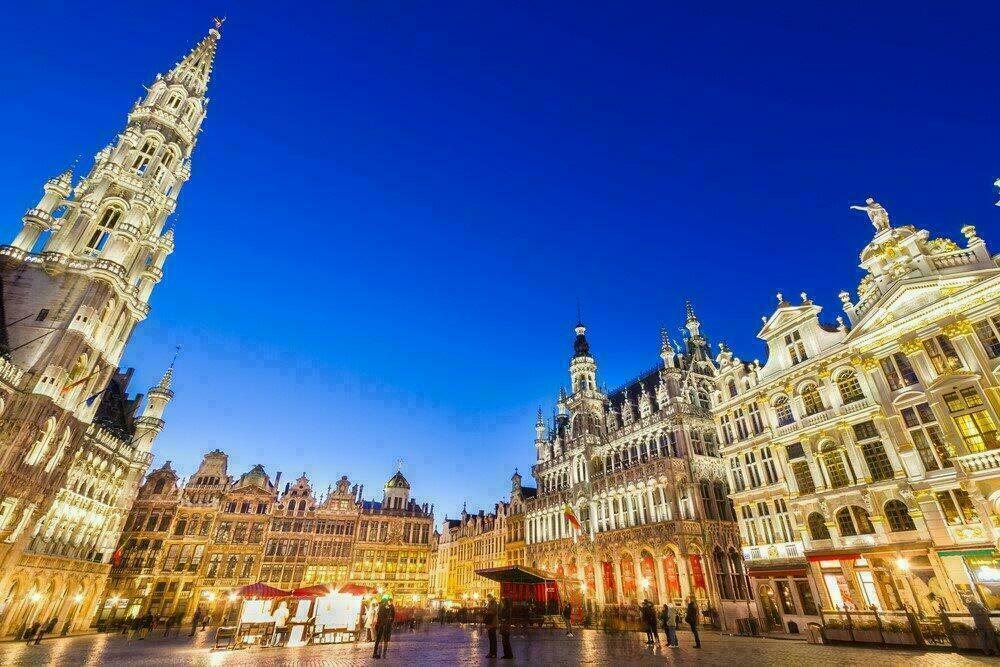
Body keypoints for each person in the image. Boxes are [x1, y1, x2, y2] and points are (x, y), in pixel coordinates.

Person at [484, 594, 499, 658]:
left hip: (493, 623)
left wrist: (488, 611)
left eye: (489, 598)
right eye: (488, 598)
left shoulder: (494, 603)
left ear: (491, 598)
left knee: (493, 639)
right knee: (490, 639)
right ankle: (491, 652)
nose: (488, 599)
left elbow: (494, 611)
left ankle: (494, 653)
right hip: (489, 623)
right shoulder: (489, 603)